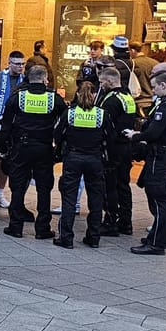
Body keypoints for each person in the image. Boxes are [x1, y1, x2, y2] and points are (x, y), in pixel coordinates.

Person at [126, 70, 166, 255]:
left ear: (163, 85)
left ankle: (156, 244)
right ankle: (163, 237)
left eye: (154, 87)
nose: (152, 91)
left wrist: (136, 135)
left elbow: (154, 133)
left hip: (160, 155)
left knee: (158, 198)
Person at [1, 64, 64, 240]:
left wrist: (2, 148)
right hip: (44, 148)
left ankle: (15, 227)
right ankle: (42, 228)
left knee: (18, 187)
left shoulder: (18, 97)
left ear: (28, 78)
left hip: (21, 147)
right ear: (45, 79)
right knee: (44, 189)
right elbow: (64, 122)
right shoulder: (53, 98)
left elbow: (6, 126)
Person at [53, 82, 111, 249]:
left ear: (78, 94)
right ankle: (93, 237)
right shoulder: (101, 114)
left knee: (69, 198)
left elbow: (58, 134)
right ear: (95, 96)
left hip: (73, 157)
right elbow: (110, 137)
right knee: (95, 199)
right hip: (94, 159)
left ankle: (66, 238)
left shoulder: (70, 113)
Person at [97, 67, 138, 237]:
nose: (101, 85)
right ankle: (125, 222)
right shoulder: (127, 97)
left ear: (111, 81)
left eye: (102, 82)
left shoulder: (111, 100)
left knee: (110, 185)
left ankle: (110, 221)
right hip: (126, 146)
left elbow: (104, 124)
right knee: (123, 184)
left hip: (113, 148)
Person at [0, 52, 26, 212]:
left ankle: (0, 194)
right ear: (9, 63)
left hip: (14, 126)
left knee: (7, 162)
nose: (20, 67)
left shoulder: (24, 80)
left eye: (22, 64)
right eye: (16, 63)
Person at [130, 42, 158, 114]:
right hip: (154, 102)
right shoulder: (155, 63)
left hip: (139, 103)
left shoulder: (132, 64)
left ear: (132, 51)